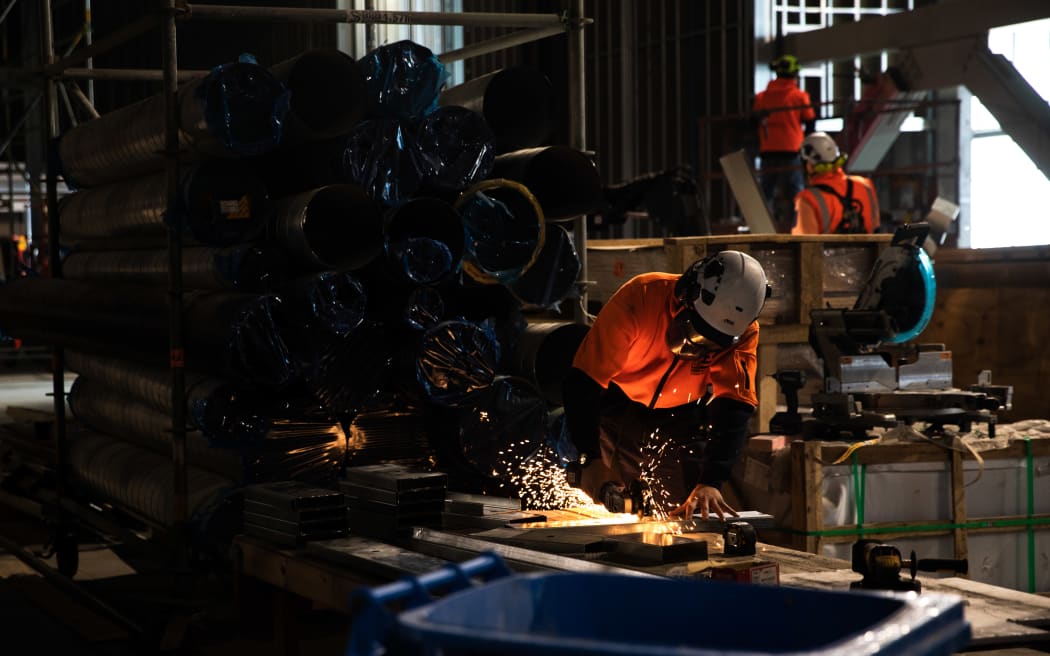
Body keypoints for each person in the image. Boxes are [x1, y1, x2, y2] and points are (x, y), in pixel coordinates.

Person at [562, 251, 770, 520]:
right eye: (695, 331)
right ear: (688, 296)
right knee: (615, 500)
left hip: (681, 415)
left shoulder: (743, 332)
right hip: (621, 405)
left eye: (711, 342)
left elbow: (735, 406)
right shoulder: (642, 296)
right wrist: (589, 458)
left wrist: (711, 481)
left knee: (677, 514)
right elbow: (584, 382)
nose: (696, 346)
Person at [752, 54, 816, 231]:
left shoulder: (761, 97)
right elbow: (810, 121)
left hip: (768, 150)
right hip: (791, 150)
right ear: (794, 74)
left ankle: (761, 228)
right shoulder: (799, 96)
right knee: (796, 192)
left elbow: (754, 121)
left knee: (765, 193)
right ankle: (800, 225)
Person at [793, 131, 880, 235]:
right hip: (868, 251)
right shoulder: (866, 185)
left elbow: (804, 244)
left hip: (825, 251)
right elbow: (876, 228)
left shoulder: (807, 198)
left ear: (809, 166)